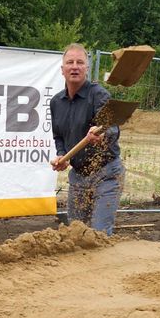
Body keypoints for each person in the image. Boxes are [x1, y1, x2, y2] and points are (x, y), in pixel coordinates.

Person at [50, 43, 124, 236]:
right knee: (76, 234)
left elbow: (113, 128)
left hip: (106, 174)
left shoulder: (99, 95)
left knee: (98, 234)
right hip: (78, 177)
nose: (74, 66)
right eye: (70, 62)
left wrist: (101, 134)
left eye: (80, 62)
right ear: (62, 70)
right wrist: (62, 156)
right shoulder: (56, 102)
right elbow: (58, 136)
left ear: (87, 68)